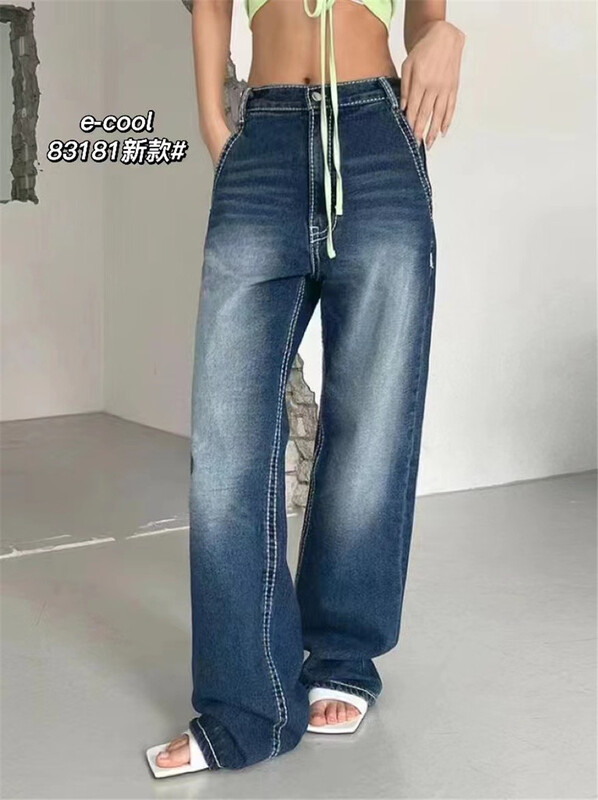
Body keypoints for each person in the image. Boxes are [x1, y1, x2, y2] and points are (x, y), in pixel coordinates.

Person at [146, 0, 465, 777]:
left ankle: (343, 653)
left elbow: (426, 18)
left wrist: (445, 35)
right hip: (266, 139)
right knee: (227, 442)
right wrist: (214, 125)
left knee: (372, 424)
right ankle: (245, 703)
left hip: (376, 137)